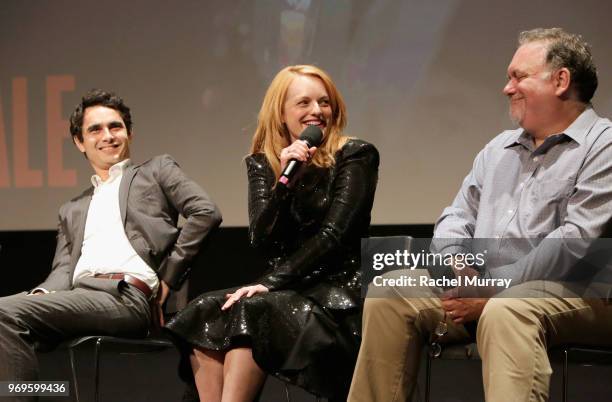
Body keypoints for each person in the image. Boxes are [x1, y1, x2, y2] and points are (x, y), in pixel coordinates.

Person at [349, 28, 612, 402]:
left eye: (518, 76)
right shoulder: (498, 149)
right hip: (485, 287)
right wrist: (456, 261)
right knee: (390, 292)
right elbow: (456, 215)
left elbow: (574, 242)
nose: (507, 88)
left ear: (561, 80)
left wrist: (495, 286)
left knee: (506, 311)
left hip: (583, 294)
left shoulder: (603, 146)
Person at [166, 65, 379, 401]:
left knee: (252, 309)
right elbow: (262, 240)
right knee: (205, 309)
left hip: (338, 291)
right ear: (281, 113)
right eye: (304, 103)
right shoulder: (264, 163)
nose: (316, 112)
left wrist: (271, 283)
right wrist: (286, 184)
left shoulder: (355, 154)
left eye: (324, 103)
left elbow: (334, 235)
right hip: (287, 288)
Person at [0, 89, 222, 399]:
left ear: (129, 132)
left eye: (115, 126)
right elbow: (63, 270)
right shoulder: (72, 209)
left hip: (125, 297)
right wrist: (38, 296)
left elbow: (206, 212)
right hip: (82, 298)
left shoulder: (155, 171)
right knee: (7, 318)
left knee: (3, 312)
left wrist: (169, 278)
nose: (108, 135)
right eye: (95, 129)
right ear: (80, 142)